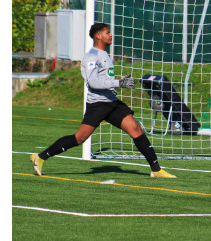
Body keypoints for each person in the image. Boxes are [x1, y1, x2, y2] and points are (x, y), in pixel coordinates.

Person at [30, 22, 176, 178]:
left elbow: (104, 79)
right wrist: (119, 82)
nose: (111, 35)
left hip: (112, 102)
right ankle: (40, 157)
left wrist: (118, 83)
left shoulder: (104, 54)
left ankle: (156, 170)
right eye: (107, 32)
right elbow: (93, 82)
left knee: (136, 130)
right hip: (98, 104)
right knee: (80, 138)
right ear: (98, 36)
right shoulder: (91, 57)